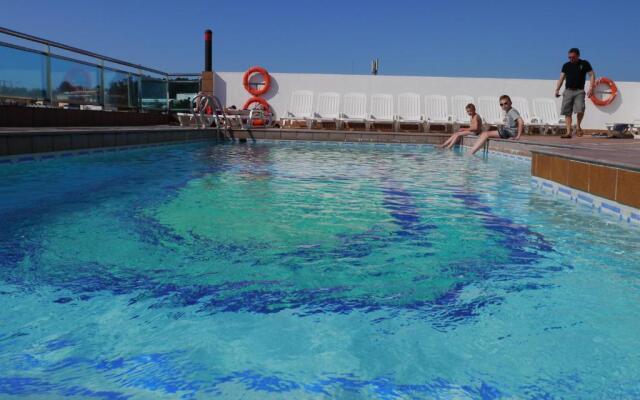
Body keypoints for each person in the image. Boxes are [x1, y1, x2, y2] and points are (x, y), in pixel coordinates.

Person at [554, 48, 595, 138]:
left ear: (578, 56)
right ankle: (568, 132)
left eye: (573, 57)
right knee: (567, 111)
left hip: (579, 91)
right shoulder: (566, 65)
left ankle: (578, 125)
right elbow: (561, 78)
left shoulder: (584, 63)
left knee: (581, 109)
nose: (571, 59)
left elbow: (591, 74)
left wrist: (591, 88)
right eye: (569, 57)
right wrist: (557, 89)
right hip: (568, 90)